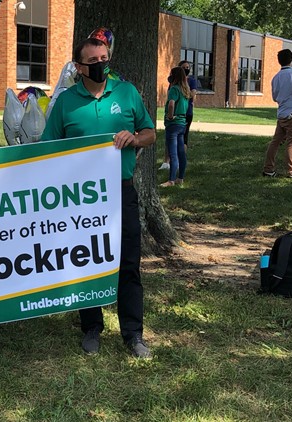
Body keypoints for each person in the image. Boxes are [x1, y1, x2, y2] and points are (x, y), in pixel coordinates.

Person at [41, 37, 156, 358]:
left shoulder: (126, 93)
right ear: (79, 67)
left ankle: (133, 334)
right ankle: (91, 327)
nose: (101, 64)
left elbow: (150, 133)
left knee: (129, 263)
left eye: (104, 58)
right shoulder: (66, 103)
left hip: (121, 191)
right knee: (86, 262)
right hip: (81, 199)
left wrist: (134, 138)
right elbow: (48, 150)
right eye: (93, 60)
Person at [263, 49, 292, 179]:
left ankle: (268, 169)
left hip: (282, 114)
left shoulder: (275, 78)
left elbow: (275, 97)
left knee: (275, 142)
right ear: (291, 59)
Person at [159, 60, 197, 170]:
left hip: (180, 116)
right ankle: (169, 163)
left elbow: (172, 103)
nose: (186, 69)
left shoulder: (184, 85)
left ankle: (175, 167)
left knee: (180, 139)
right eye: (184, 67)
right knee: (173, 139)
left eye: (188, 67)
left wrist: (170, 115)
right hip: (179, 116)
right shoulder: (175, 86)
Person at [161, 66, 190, 187]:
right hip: (182, 123)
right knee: (181, 152)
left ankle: (171, 180)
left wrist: (170, 116)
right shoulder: (185, 90)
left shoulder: (174, 89)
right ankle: (180, 178)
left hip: (173, 124)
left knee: (173, 153)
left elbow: (171, 104)